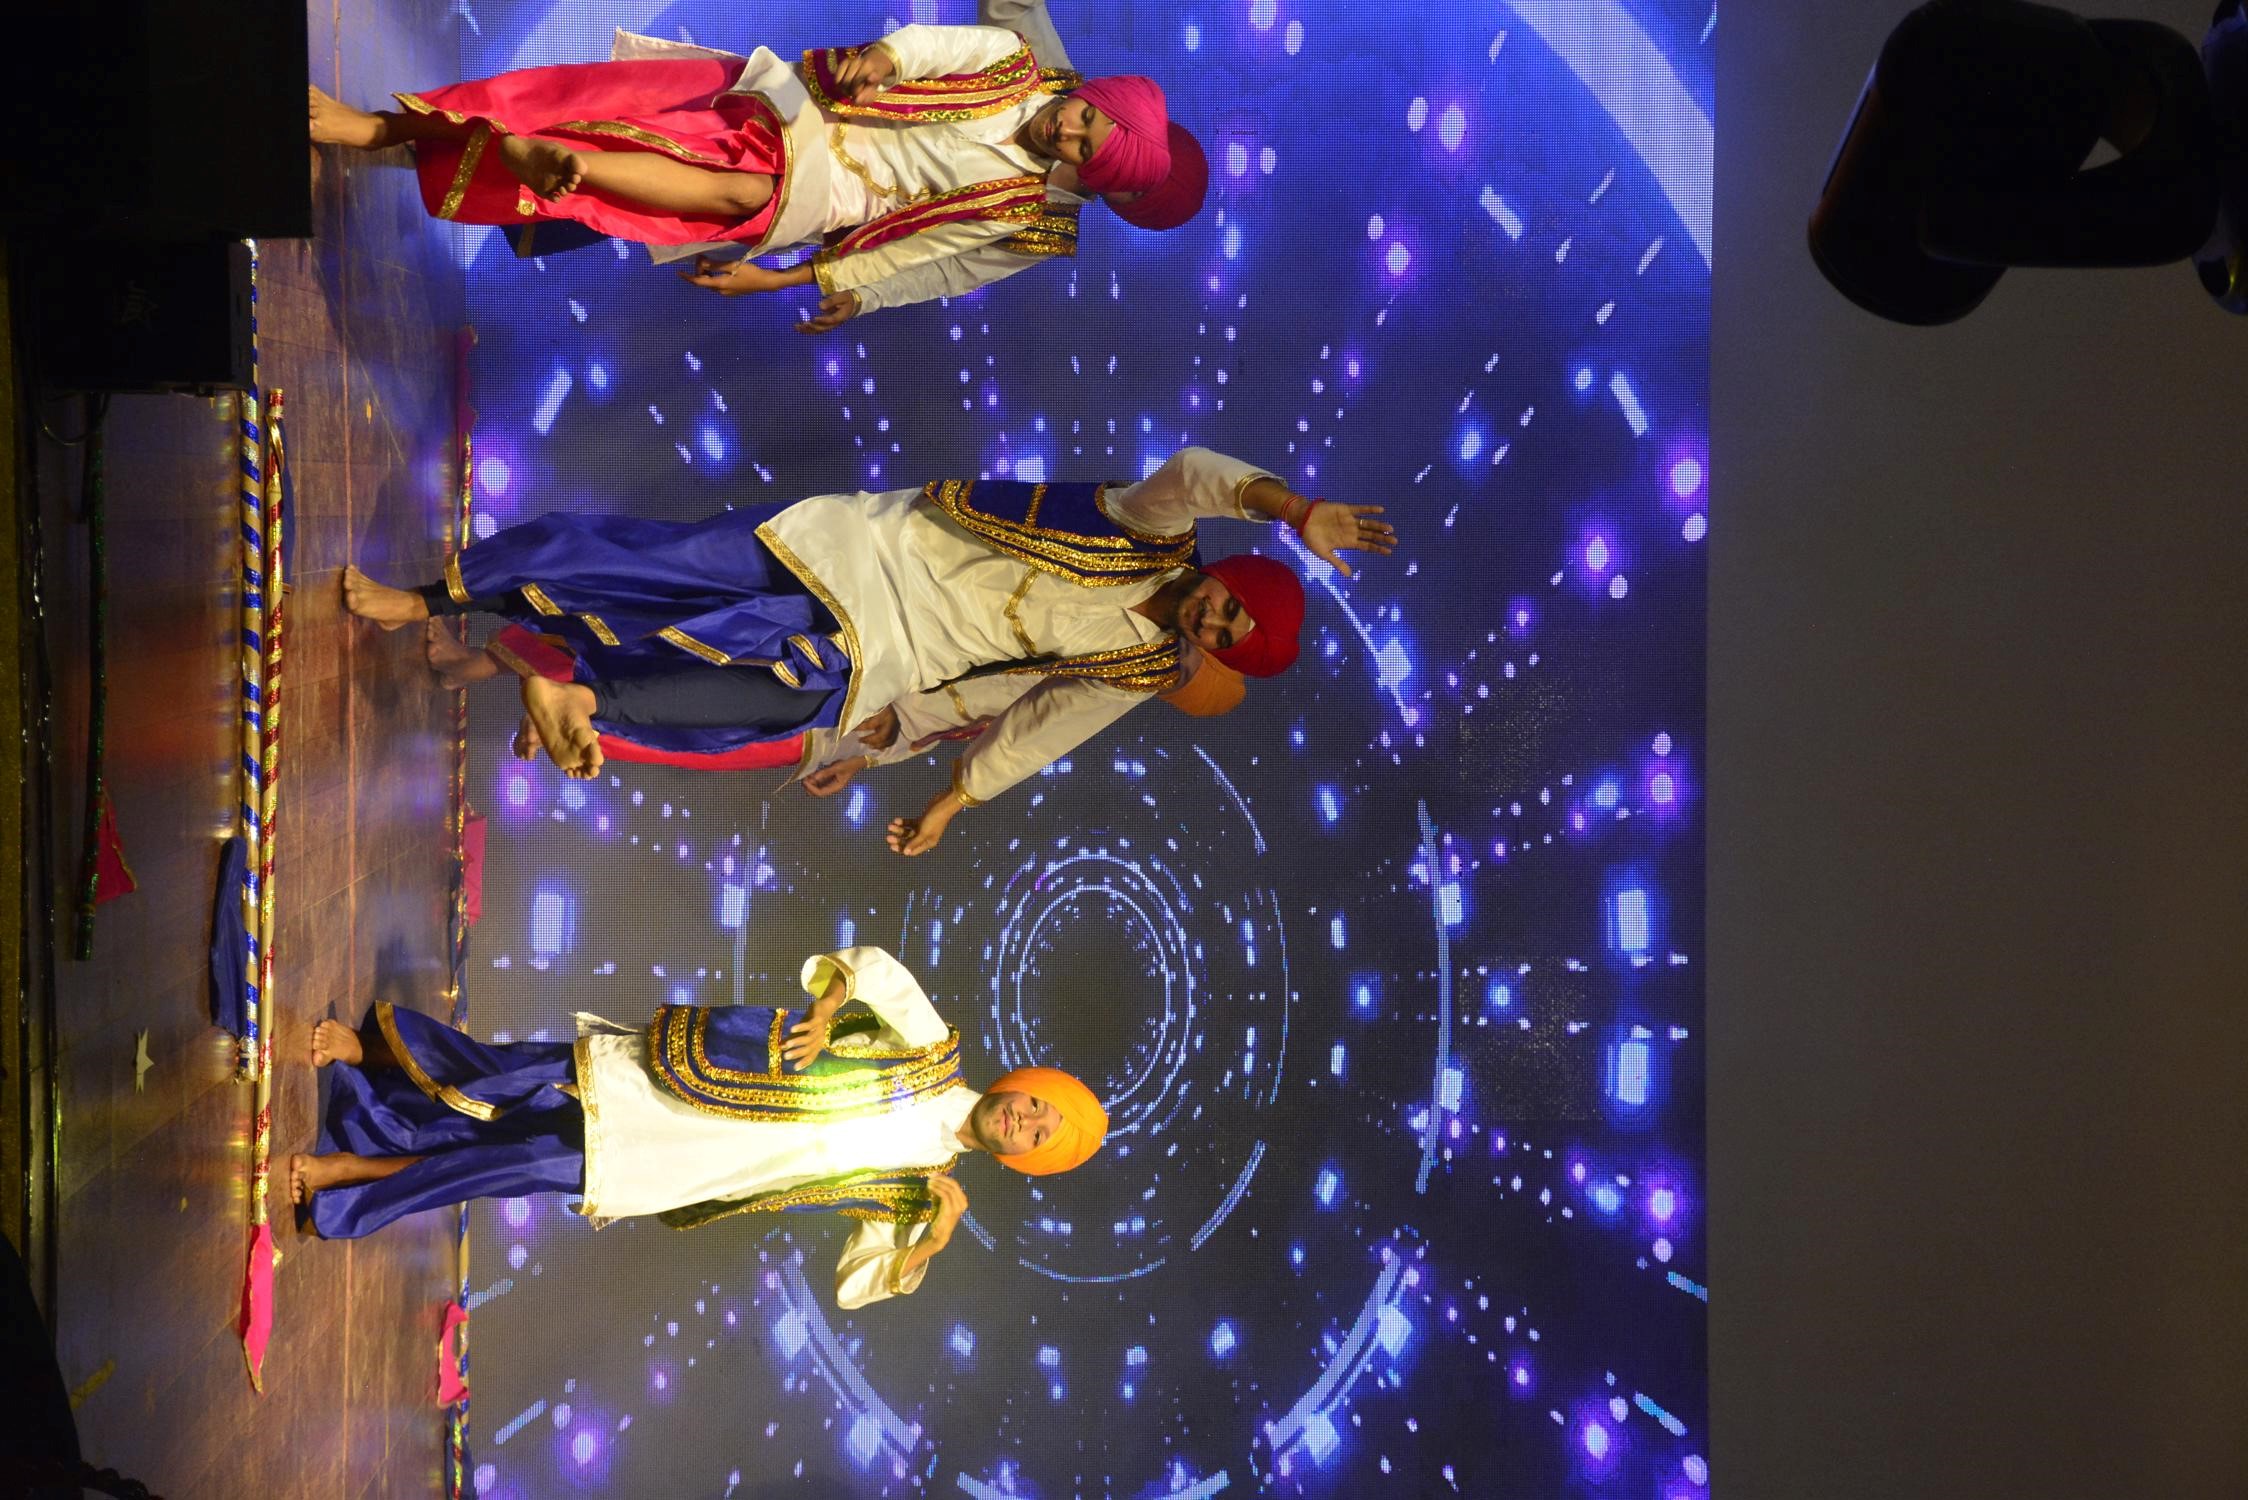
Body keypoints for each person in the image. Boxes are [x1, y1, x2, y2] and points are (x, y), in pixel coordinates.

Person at [343, 447, 1394, 855]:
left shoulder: (1138, 669)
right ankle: (430, 599)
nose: (1214, 623)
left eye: (1227, 639)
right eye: (1231, 608)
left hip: (885, 656)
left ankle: (579, 698)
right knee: (653, 565)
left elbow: (1039, 724)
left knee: (762, 708)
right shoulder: (1149, 528)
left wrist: (946, 799)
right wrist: (1295, 508)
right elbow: (1199, 470)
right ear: (1230, 576)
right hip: (863, 550)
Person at [289, 947, 1105, 1308]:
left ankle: (352, 1177)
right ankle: (380, 1054)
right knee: (520, 1074)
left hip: (685, 1163)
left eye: (1039, 1134)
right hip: (698, 1080)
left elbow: (855, 1288)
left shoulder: (918, 1197)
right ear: (1027, 1084)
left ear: (1022, 1159)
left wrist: (930, 1245)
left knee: (511, 1167)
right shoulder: (935, 1052)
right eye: (1039, 1104)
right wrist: (828, 1009)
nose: (1024, 1119)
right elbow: (880, 972)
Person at [305, 18, 1199, 328]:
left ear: (1089, 180)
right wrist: (885, 59)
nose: (1067, 131)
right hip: (815, 107)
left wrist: (789, 282)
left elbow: (929, 267)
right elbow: (932, 46)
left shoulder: (1022, 219)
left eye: (1082, 149)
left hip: (841, 195)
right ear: (1092, 96)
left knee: (746, 197)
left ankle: (577, 171)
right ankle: (381, 126)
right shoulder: (1011, 61)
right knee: (579, 98)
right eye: (1085, 117)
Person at [420, 621, 1240, 781]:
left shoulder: (1071, 692)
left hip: (834, 730)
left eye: (1165, 679)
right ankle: (486, 667)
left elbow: (957, 722)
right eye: (1168, 659)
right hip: (834, 674)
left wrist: (861, 761)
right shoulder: (1066, 624)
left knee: (684, 734)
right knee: (656, 658)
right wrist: (892, 717)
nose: (1153, 670)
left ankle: (555, 709)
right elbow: (947, 669)